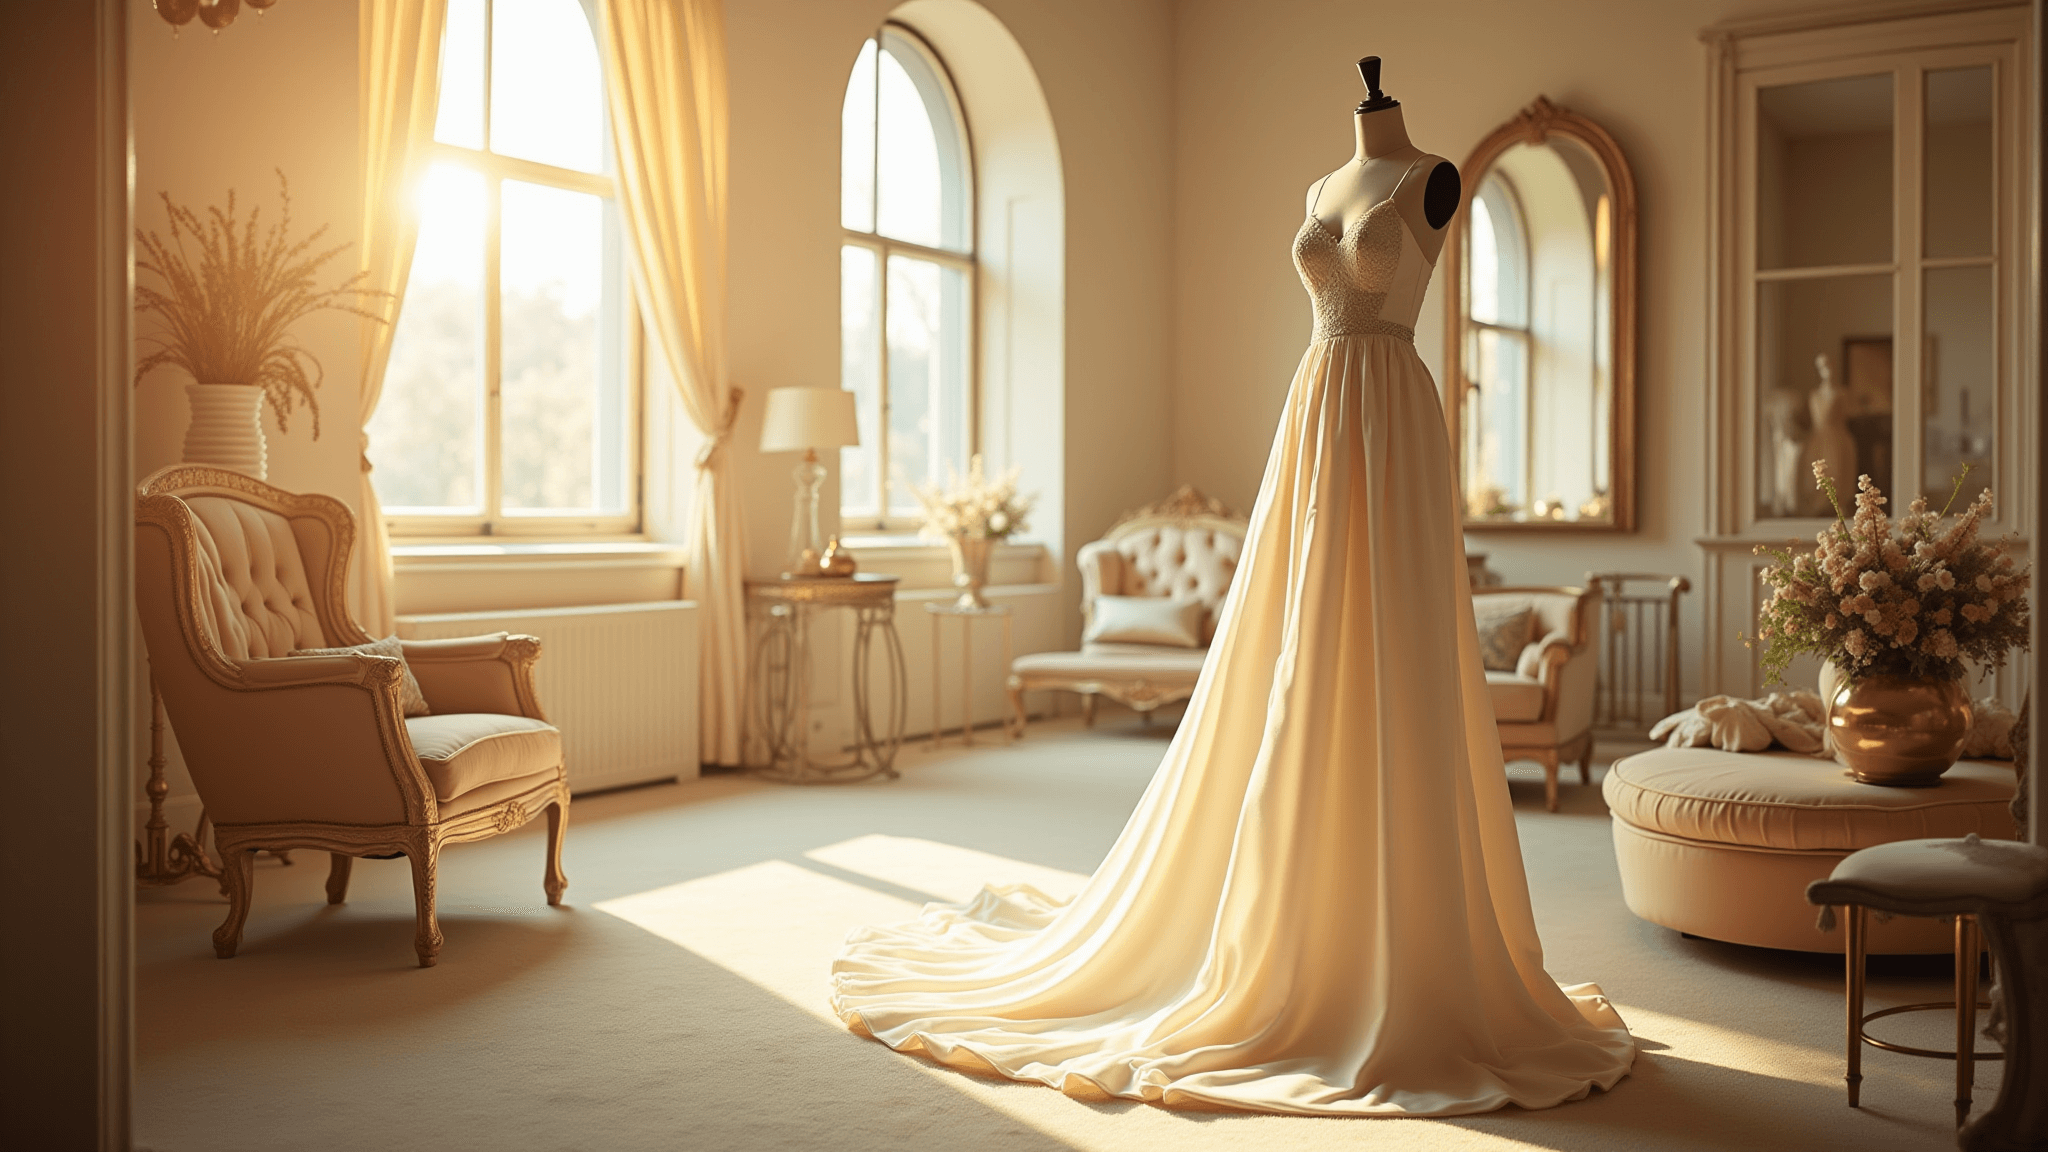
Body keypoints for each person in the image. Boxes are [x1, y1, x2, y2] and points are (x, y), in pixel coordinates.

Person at [829, 57, 1635, 1116]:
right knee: (1286, 648)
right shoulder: (1317, 190)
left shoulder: (1433, 176)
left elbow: (1384, 297)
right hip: (1314, 413)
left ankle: (1376, 921)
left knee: (1383, 647)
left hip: (1390, 411)